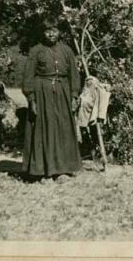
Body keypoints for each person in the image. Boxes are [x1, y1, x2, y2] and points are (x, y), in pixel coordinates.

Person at [21, 17, 82, 180]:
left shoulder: (67, 51)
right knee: (43, 129)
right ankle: (41, 171)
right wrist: (31, 98)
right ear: (43, 33)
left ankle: (62, 170)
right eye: (47, 31)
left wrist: (74, 95)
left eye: (54, 30)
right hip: (42, 93)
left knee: (63, 129)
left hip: (63, 92)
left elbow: (74, 76)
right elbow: (28, 77)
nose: (51, 34)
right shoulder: (36, 51)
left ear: (59, 32)